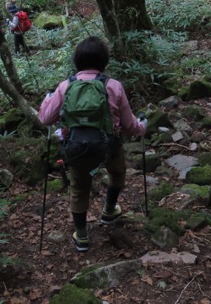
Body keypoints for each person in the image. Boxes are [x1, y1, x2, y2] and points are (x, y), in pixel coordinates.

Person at [38, 36, 147, 253]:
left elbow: (44, 119)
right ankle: (108, 211)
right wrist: (144, 125)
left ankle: (82, 235)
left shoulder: (65, 86)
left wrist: (47, 98)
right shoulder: (113, 86)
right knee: (117, 173)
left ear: (77, 60)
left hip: (77, 149)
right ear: (104, 61)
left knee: (79, 188)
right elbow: (129, 126)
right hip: (108, 148)